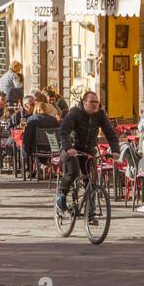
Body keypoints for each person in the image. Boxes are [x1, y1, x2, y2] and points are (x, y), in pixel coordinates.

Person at [55, 91, 119, 219]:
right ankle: (61, 194)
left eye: (97, 102)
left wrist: (115, 150)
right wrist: (68, 147)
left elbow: (110, 133)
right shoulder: (74, 113)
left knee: (92, 180)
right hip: (71, 149)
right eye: (92, 102)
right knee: (73, 172)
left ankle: (90, 212)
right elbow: (63, 131)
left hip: (88, 150)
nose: (95, 105)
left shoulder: (100, 114)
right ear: (84, 102)